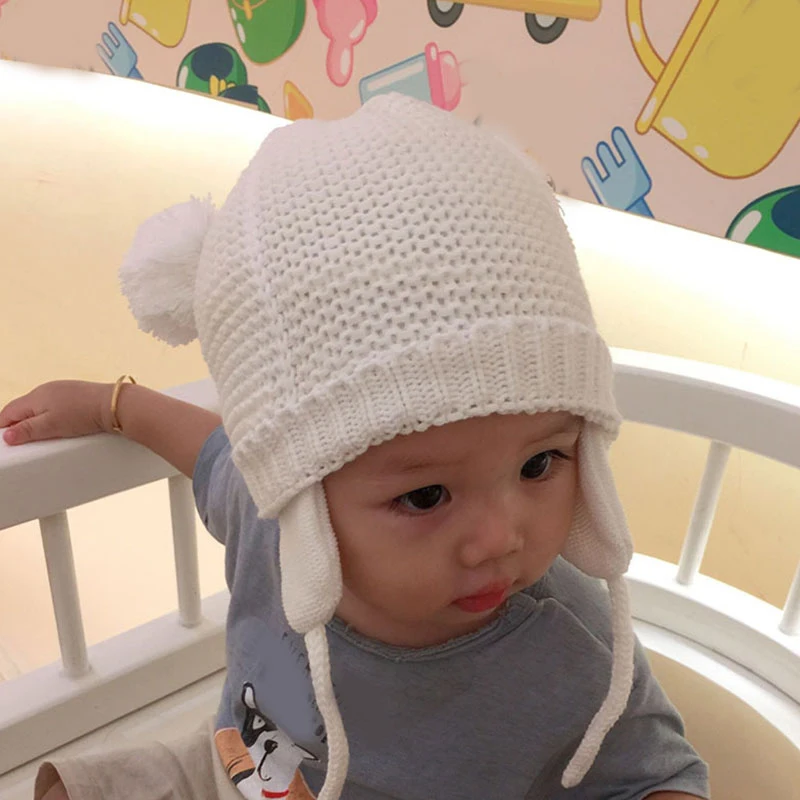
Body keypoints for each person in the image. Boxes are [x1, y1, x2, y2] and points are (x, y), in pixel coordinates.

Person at [0, 94, 710, 800]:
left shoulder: (570, 644)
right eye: (426, 495)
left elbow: (662, 776)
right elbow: (209, 448)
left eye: (539, 463)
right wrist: (112, 406)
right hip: (236, 769)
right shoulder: (271, 518)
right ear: (298, 484)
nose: (500, 538)